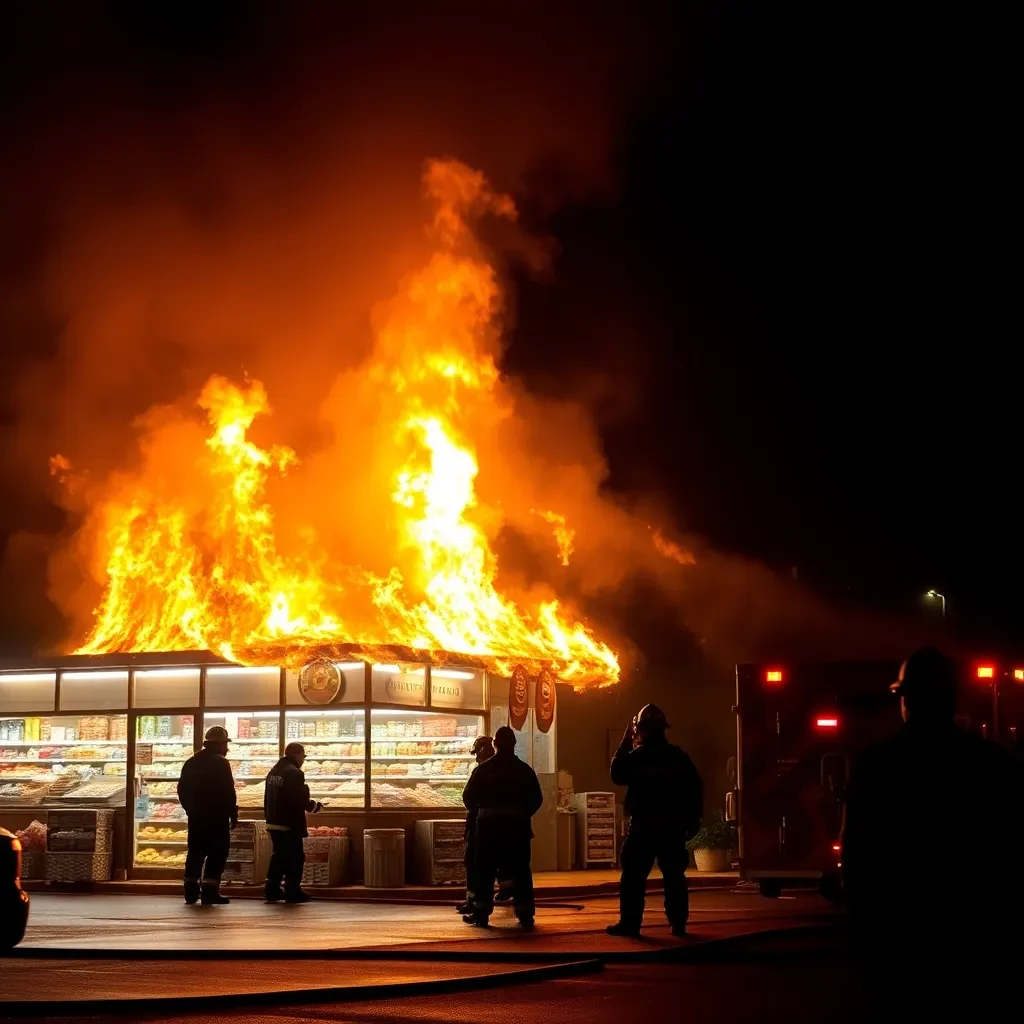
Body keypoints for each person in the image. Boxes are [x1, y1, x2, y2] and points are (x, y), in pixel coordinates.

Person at [843, 647, 1024, 1016]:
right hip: (974, 939)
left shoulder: (878, 766)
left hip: (899, 938)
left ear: (905, 699)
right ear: (951, 697)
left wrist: (862, 928)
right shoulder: (991, 763)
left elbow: (857, 853)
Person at [606, 703, 703, 938]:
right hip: (672, 826)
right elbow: (695, 790)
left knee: (633, 876)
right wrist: (693, 821)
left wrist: (626, 739)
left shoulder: (636, 758)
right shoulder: (679, 757)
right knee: (674, 876)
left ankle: (630, 924)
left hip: (643, 826)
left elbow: (616, 774)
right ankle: (678, 925)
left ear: (640, 730)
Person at [462, 725, 543, 929]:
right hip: (517, 830)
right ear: (515, 745)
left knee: (484, 871)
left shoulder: (483, 770)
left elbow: (468, 798)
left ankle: (481, 913)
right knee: (521, 871)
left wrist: (481, 813)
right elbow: (537, 799)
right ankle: (525, 914)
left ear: (495, 744)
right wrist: (522, 814)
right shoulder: (525, 771)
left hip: (488, 830)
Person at [177, 726, 238, 906]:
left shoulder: (191, 761)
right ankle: (210, 892)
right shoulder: (221, 763)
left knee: (195, 853)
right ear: (219, 745)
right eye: (225, 744)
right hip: (216, 817)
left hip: (196, 817)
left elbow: (181, 789)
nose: (226, 748)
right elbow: (228, 791)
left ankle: (190, 891)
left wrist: (190, 809)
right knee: (217, 853)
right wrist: (232, 813)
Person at [264, 742, 324, 903]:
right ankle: (292, 891)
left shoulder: (273, 771)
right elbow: (298, 799)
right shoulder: (294, 773)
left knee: (279, 856)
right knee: (295, 857)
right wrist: (313, 806)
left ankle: (272, 889)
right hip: (288, 822)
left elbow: (267, 798)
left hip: (273, 821)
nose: (303, 760)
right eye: (303, 757)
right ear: (297, 755)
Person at [456, 735, 494, 915]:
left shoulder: (482, 771)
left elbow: (468, 797)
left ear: (483, 750)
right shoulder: (511, 768)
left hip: (479, 826)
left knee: (475, 864)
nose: (476, 757)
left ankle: (476, 905)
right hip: (507, 827)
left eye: (476, 753)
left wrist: (476, 812)